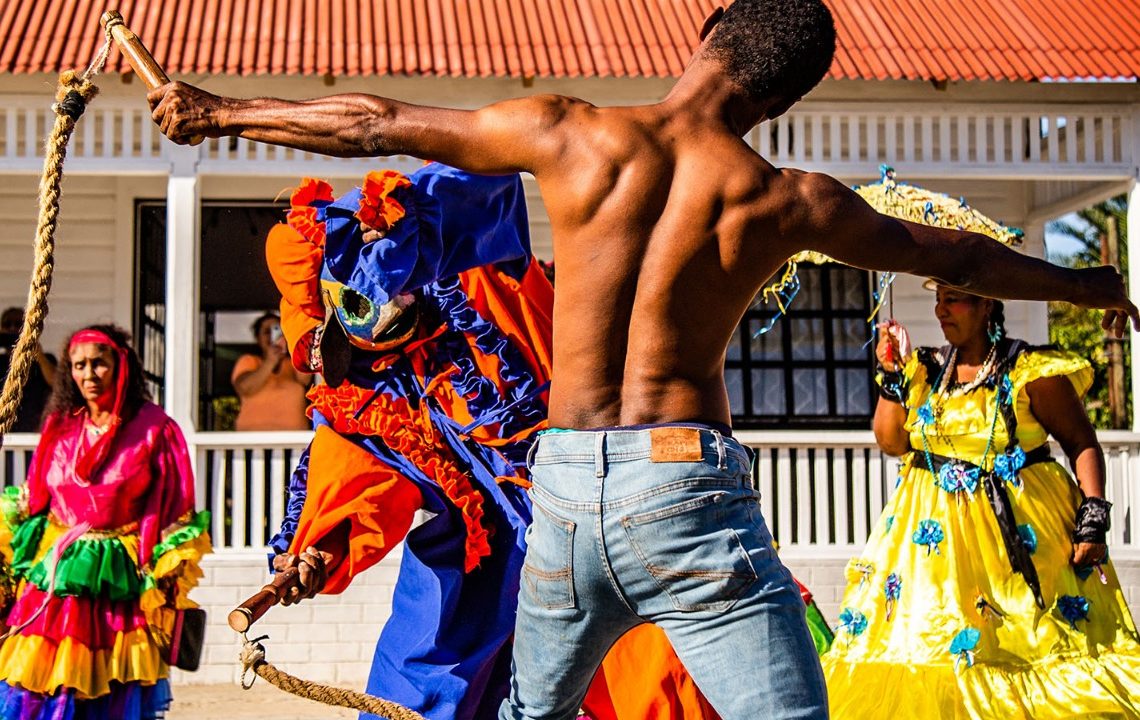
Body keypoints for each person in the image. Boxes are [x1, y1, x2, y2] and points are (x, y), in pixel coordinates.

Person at [149, 1, 1139, 716]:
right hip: (683, 485)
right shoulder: (786, 198)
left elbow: (375, 122)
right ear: (782, 98)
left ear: (704, 35)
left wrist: (217, 113)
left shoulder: (570, 132)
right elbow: (959, 257)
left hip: (564, 489)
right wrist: (1089, 286)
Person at [263, 164, 722, 720]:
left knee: (655, 677)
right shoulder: (369, 390)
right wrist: (319, 549)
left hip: (601, 509)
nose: (389, 313)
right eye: (361, 307)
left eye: (391, 286)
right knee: (419, 675)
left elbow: (488, 181)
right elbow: (360, 480)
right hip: (483, 550)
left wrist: (404, 221)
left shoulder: (482, 288)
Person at [821, 290, 1140, 718]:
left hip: (1019, 543)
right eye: (939, 299)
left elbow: (1081, 442)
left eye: (954, 299)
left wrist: (1094, 517)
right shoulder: (926, 369)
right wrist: (892, 372)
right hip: (932, 554)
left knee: (1032, 654)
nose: (941, 309)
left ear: (987, 303)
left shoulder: (1029, 370)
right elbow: (892, 441)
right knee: (929, 657)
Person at [0, 325, 211, 720]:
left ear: (121, 365)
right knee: (44, 684)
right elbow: (36, 498)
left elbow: (174, 505)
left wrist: (166, 571)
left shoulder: (155, 428)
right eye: (79, 365)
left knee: (112, 690)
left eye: (99, 363)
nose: (89, 374)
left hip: (120, 577)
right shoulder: (60, 424)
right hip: (56, 576)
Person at [231, 312, 310, 430]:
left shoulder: (294, 363)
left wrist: (296, 342)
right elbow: (245, 388)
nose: (272, 336)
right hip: (253, 438)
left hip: (294, 438)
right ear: (258, 338)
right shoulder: (249, 361)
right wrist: (270, 362)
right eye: (267, 332)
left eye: (277, 331)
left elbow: (305, 380)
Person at [0, 307, 57, 432]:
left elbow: (57, 384)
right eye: (7, 324)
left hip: (34, 433)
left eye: (18, 324)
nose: (12, 329)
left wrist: (39, 355)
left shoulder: (46, 359)